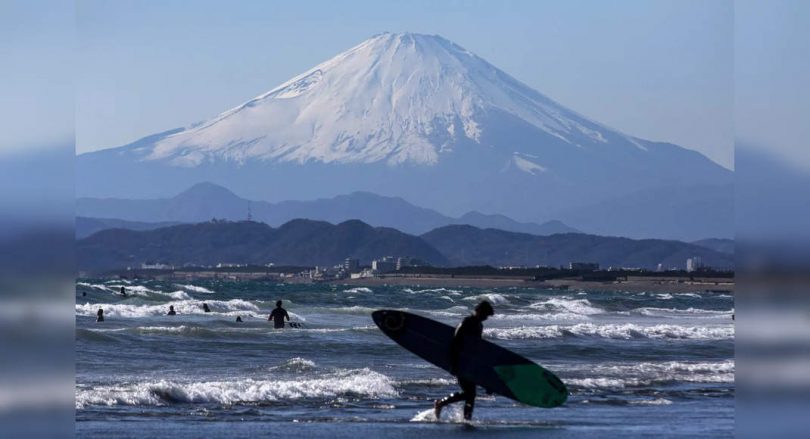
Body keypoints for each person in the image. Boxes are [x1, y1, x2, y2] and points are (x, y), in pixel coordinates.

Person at [434, 300, 494, 421]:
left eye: (487, 316)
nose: (485, 318)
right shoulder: (467, 322)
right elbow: (455, 341)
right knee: (469, 393)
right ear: (478, 311)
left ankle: (467, 418)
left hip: (470, 362)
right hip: (460, 361)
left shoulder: (479, 325)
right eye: (484, 314)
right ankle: (441, 403)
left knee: (470, 394)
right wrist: (453, 363)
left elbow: (476, 346)